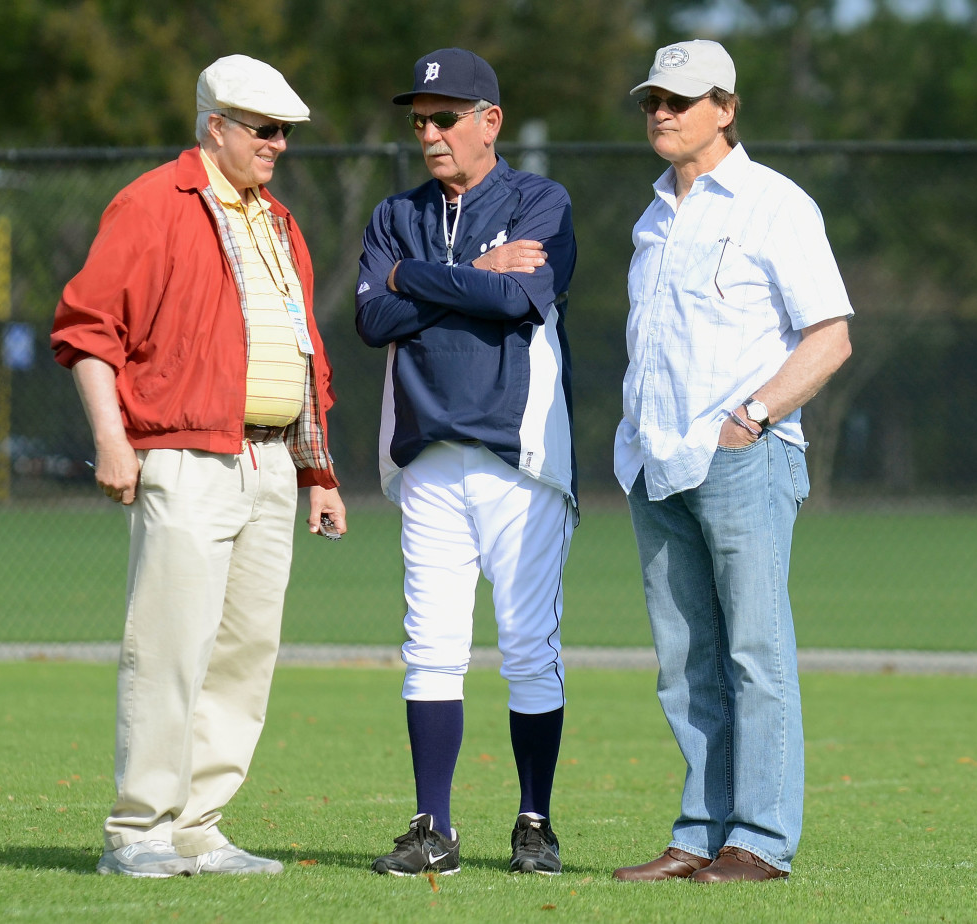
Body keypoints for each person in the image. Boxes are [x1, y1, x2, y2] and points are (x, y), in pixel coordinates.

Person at [50, 54, 346, 878]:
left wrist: (317, 474)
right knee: (170, 648)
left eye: (286, 131)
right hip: (184, 457)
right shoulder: (152, 203)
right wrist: (113, 439)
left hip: (271, 465)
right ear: (215, 125)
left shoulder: (279, 221)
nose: (279, 144)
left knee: (245, 653)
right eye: (264, 129)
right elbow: (86, 328)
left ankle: (197, 827)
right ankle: (138, 831)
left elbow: (301, 350)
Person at [611, 40, 853, 884]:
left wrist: (751, 417)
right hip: (656, 463)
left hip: (743, 457)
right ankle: (698, 834)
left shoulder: (774, 204)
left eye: (681, 99)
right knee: (686, 663)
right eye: (653, 100)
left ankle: (760, 843)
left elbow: (831, 336)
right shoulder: (652, 215)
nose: (662, 113)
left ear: (727, 107)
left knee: (756, 654)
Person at [355, 47, 578, 877]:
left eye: (446, 116)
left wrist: (419, 281)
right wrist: (463, 273)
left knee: (528, 645)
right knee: (431, 645)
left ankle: (534, 823)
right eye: (419, 119)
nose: (430, 132)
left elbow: (520, 298)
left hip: (518, 455)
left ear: (491, 121)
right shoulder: (395, 215)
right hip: (426, 454)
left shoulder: (538, 200)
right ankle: (433, 830)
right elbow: (373, 320)